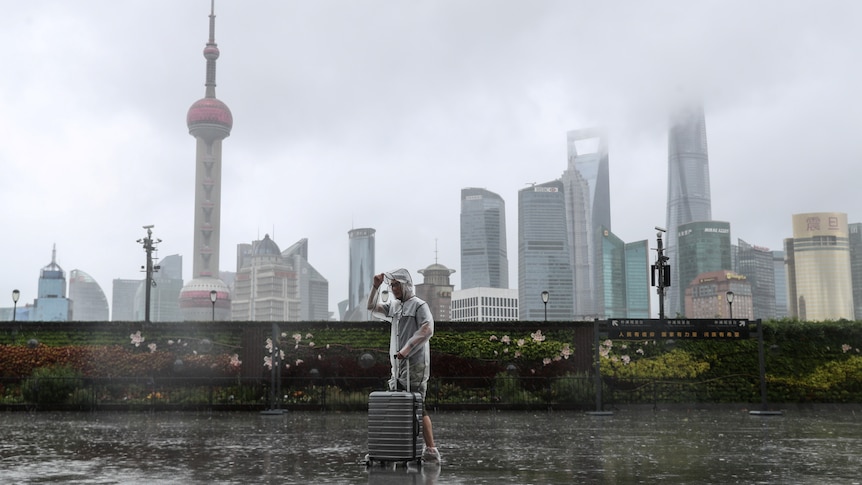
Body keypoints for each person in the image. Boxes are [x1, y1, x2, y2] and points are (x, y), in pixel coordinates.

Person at [367, 268, 441, 463]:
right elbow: (372, 308)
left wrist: (407, 349)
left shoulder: (419, 305)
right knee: (397, 405)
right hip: (399, 367)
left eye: (396, 285)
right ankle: (393, 447)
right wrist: (375, 287)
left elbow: (427, 329)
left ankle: (430, 449)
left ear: (407, 285)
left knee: (417, 406)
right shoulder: (396, 307)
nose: (393, 289)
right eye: (391, 285)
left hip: (415, 366)